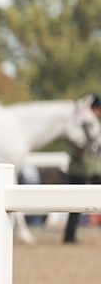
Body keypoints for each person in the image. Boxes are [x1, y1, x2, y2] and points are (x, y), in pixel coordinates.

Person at [63, 93, 101, 243]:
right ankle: (69, 236)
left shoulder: (80, 120)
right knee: (75, 204)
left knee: (75, 204)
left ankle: (69, 236)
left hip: (80, 168)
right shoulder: (86, 121)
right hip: (86, 169)